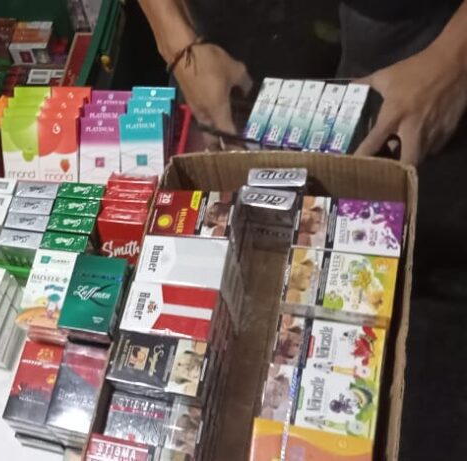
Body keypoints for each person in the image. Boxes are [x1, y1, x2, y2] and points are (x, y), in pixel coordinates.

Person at [136, 0, 467, 296]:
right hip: (230, 32)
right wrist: (175, 40)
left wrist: (454, 61)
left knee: (402, 214)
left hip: (407, 27)